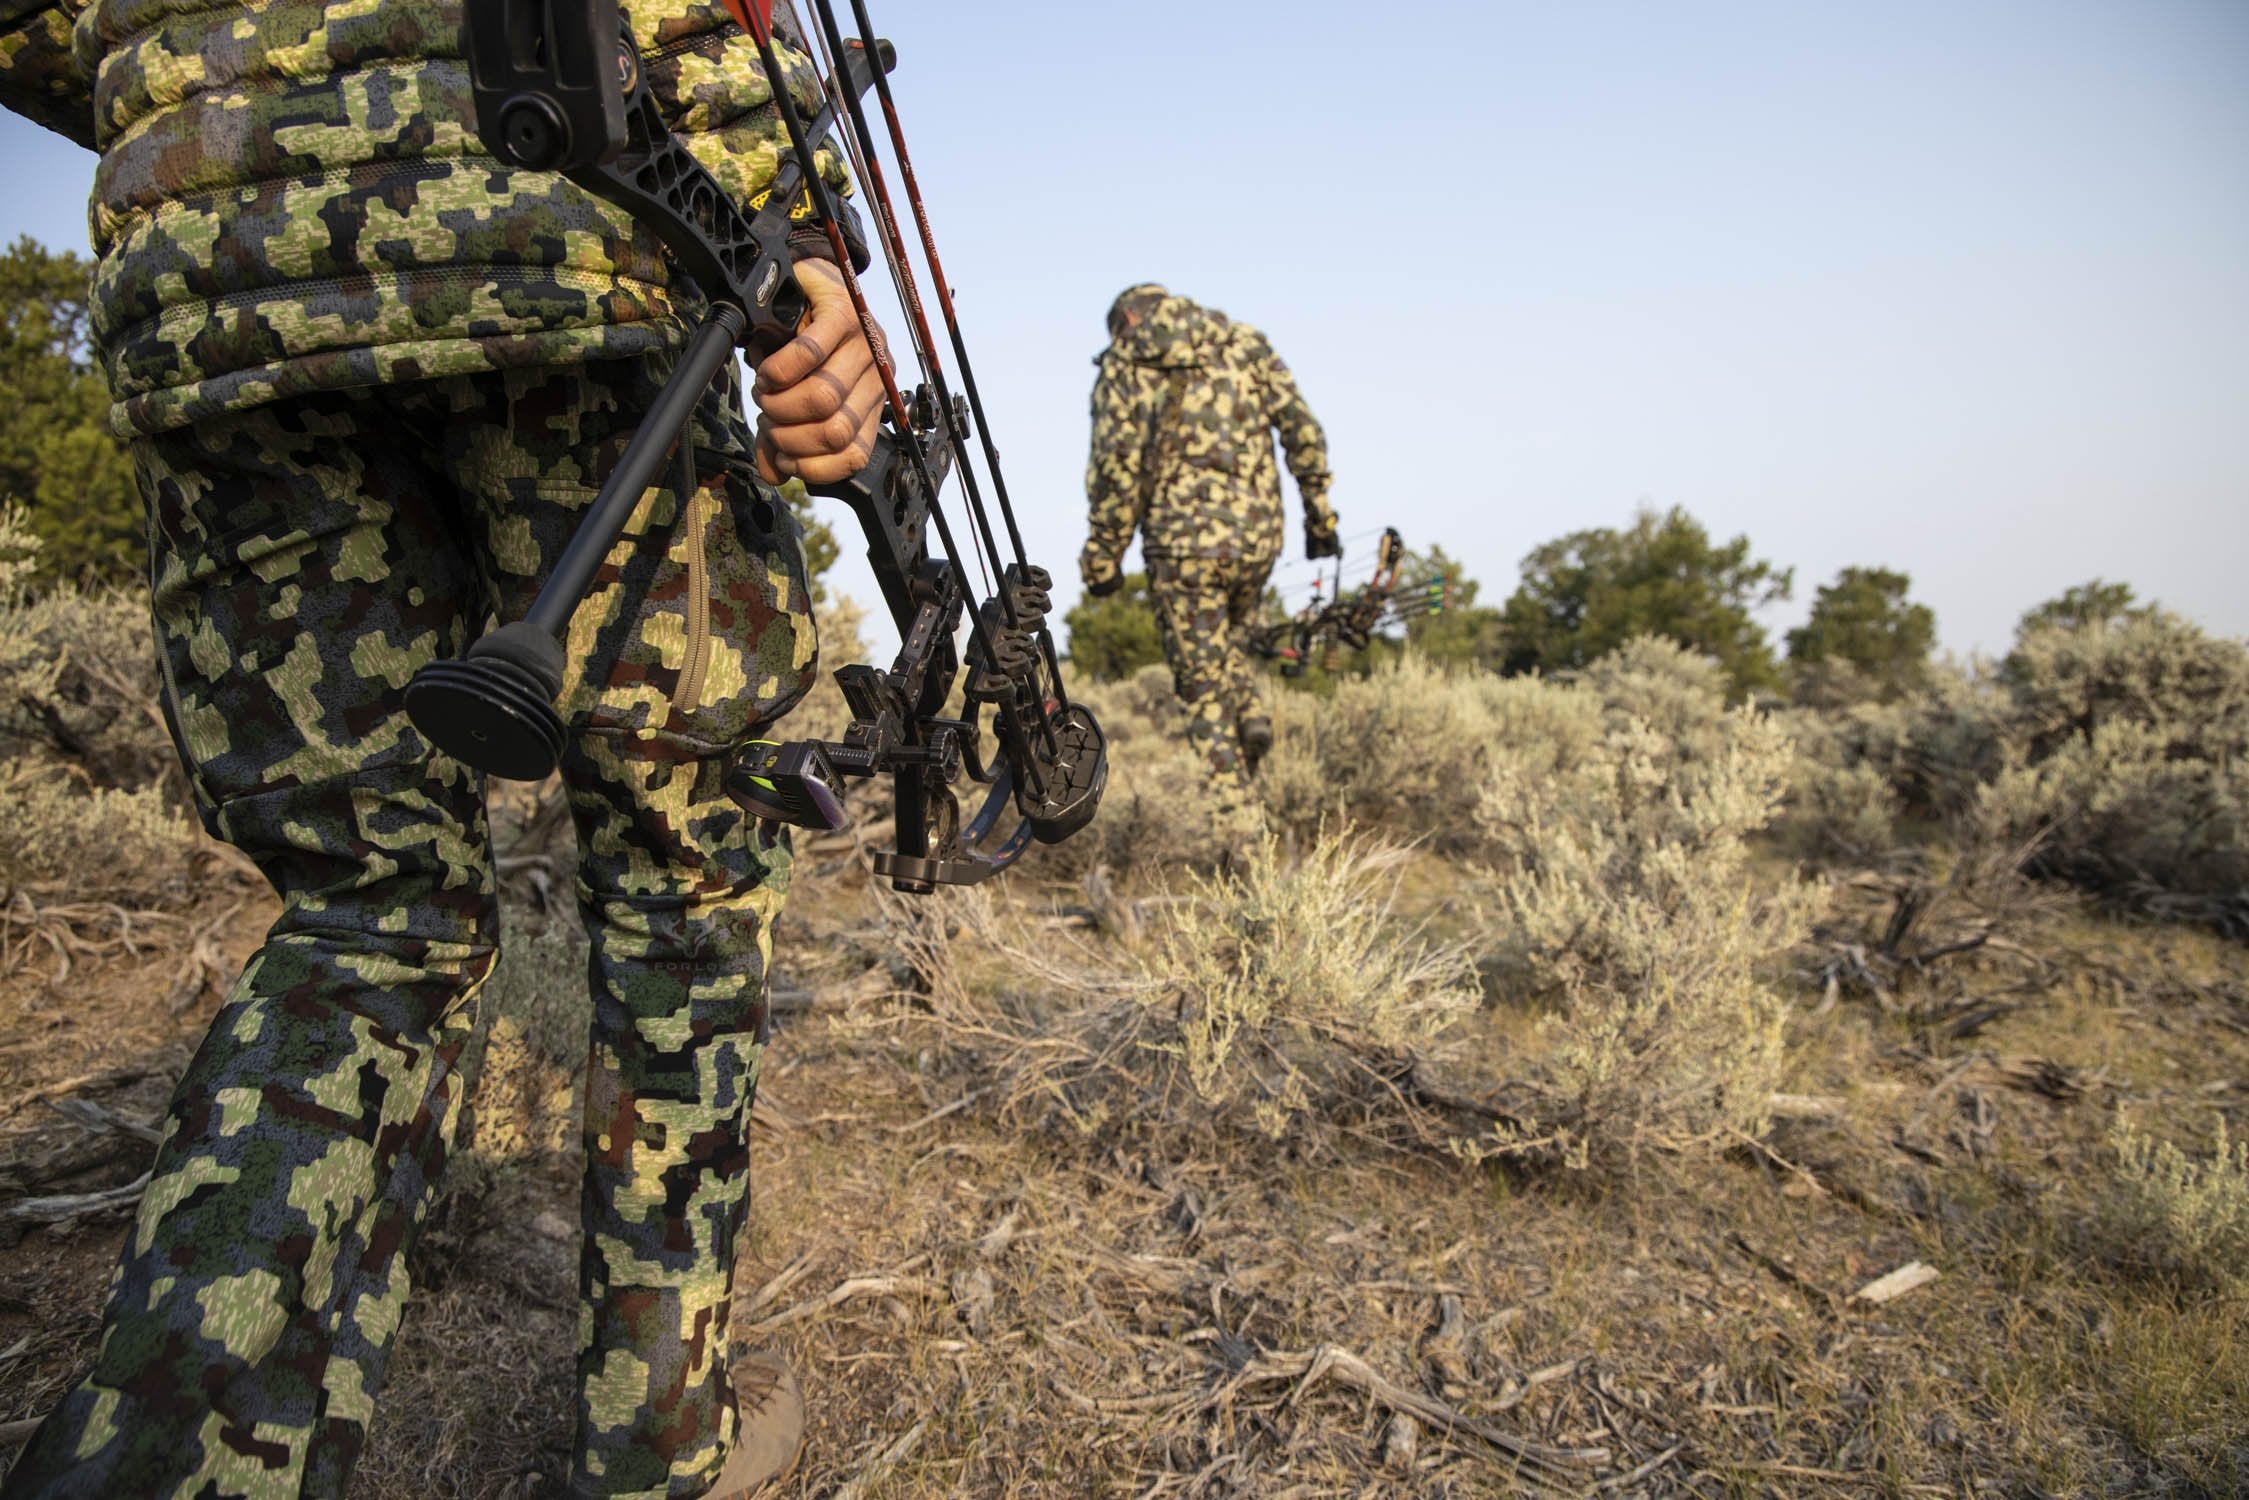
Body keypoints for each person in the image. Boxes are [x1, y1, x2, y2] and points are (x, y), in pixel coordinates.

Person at [0, 0, 884, 1495]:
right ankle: (662, 1448)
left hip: (212, 279)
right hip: (572, 245)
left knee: (364, 912)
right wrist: (802, 242)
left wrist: (225, 128)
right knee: (684, 883)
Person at [1079, 283, 1336, 851]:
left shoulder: (1128, 361)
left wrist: (1102, 559)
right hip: (1259, 538)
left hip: (1183, 546)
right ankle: (1252, 710)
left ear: (1126, 319)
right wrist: (1320, 516)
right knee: (1233, 645)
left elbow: (1116, 467)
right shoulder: (1244, 342)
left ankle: (1241, 840)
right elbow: (1303, 431)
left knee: (1201, 688)